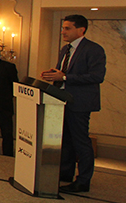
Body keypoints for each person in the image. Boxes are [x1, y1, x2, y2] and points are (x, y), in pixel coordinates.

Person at [41, 14, 106, 193]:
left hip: (80, 103)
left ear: (81, 30)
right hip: (62, 101)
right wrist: (53, 74)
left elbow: (97, 76)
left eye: (67, 28)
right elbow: (64, 72)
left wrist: (64, 77)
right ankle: (65, 173)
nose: (63, 32)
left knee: (80, 142)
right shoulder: (65, 49)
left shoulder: (93, 49)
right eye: (63, 28)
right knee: (66, 141)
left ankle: (83, 180)